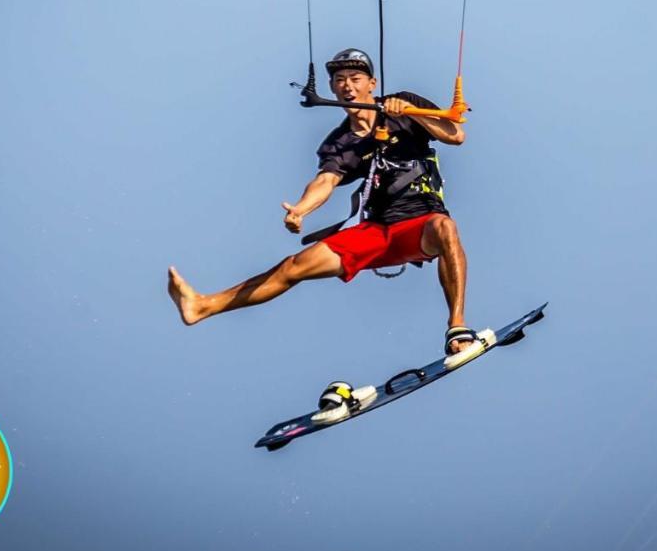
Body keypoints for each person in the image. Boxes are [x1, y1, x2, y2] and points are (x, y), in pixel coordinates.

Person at [167, 48, 479, 354]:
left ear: (372, 83)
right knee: (294, 267)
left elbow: (455, 135)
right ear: (332, 88)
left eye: (356, 77)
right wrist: (301, 209)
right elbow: (326, 180)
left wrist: (409, 111)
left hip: (419, 224)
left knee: (445, 228)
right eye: (340, 79)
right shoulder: (340, 142)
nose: (348, 85)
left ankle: (457, 326)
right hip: (376, 230)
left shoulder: (405, 104)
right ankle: (203, 306)